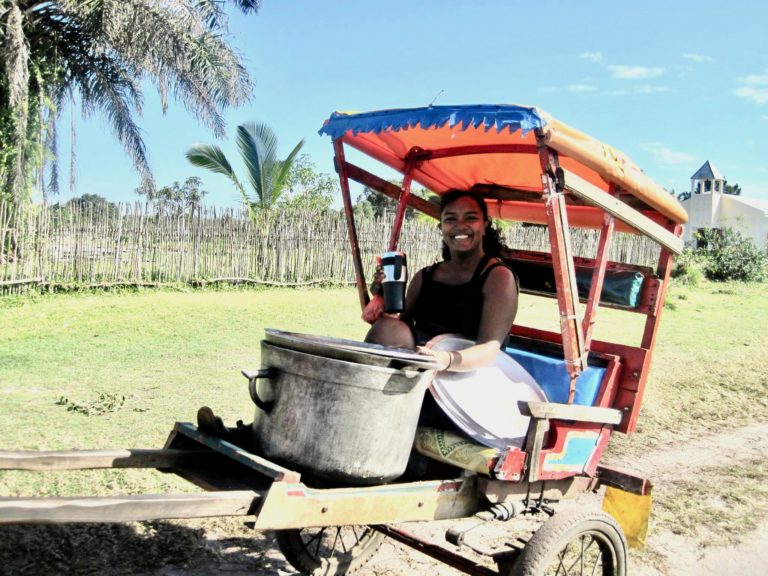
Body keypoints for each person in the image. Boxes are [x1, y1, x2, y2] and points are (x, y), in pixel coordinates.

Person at [365, 189, 519, 373]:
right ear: (441, 227)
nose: (460, 225)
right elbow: (397, 327)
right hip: (418, 366)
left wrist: (443, 359)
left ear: (485, 225)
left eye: (470, 218)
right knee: (385, 327)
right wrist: (381, 296)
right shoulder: (425, 276)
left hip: (468, 374)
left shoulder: (498, 277)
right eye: (450, 219)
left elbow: (489, 349)